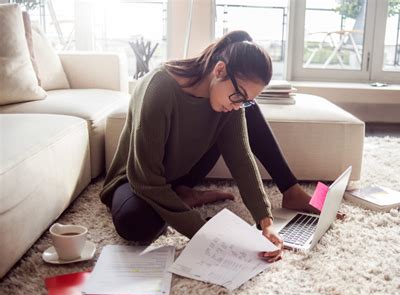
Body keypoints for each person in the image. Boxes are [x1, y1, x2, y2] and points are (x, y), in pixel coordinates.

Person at [100, 30, 320, 264]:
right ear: (219, 70)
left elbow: (241, 157)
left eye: (245, 99)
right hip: (136, 179)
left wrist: (266, 223)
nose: (238, 105)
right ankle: (179, 198)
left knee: (245, 113)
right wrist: (206, 234)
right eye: (239, 96)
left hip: (177, 173)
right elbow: (147, 181)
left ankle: (180, 194)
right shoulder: (160, 88)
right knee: (136, 224)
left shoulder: (229, 103)